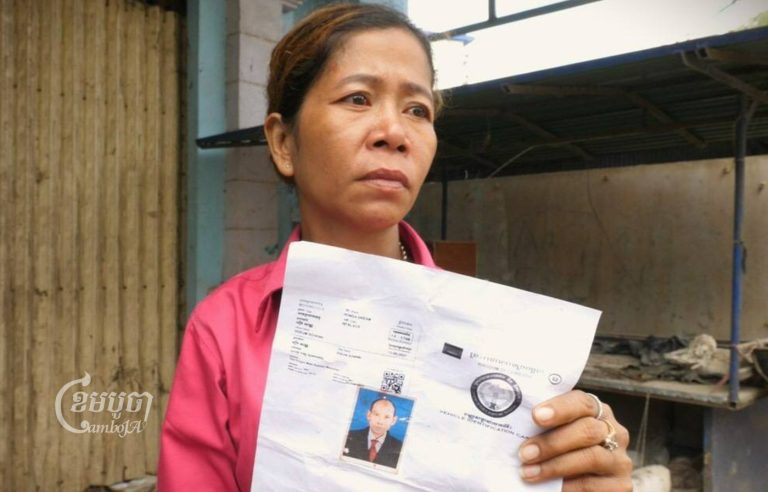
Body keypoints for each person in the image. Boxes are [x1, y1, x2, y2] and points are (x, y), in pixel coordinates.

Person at [158, 3, 633, 491]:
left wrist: (591, 474)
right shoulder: (226, 327)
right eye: (358, 98)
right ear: (283, 142)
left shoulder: (491, 339)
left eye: (417, 110)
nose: (395, 133)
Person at [344, 398, 404, 468]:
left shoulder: (400, 448)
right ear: (369, 415)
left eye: (387, 417)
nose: (380, 421)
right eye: (376, 414)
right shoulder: (348, 436)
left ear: (393, 420)